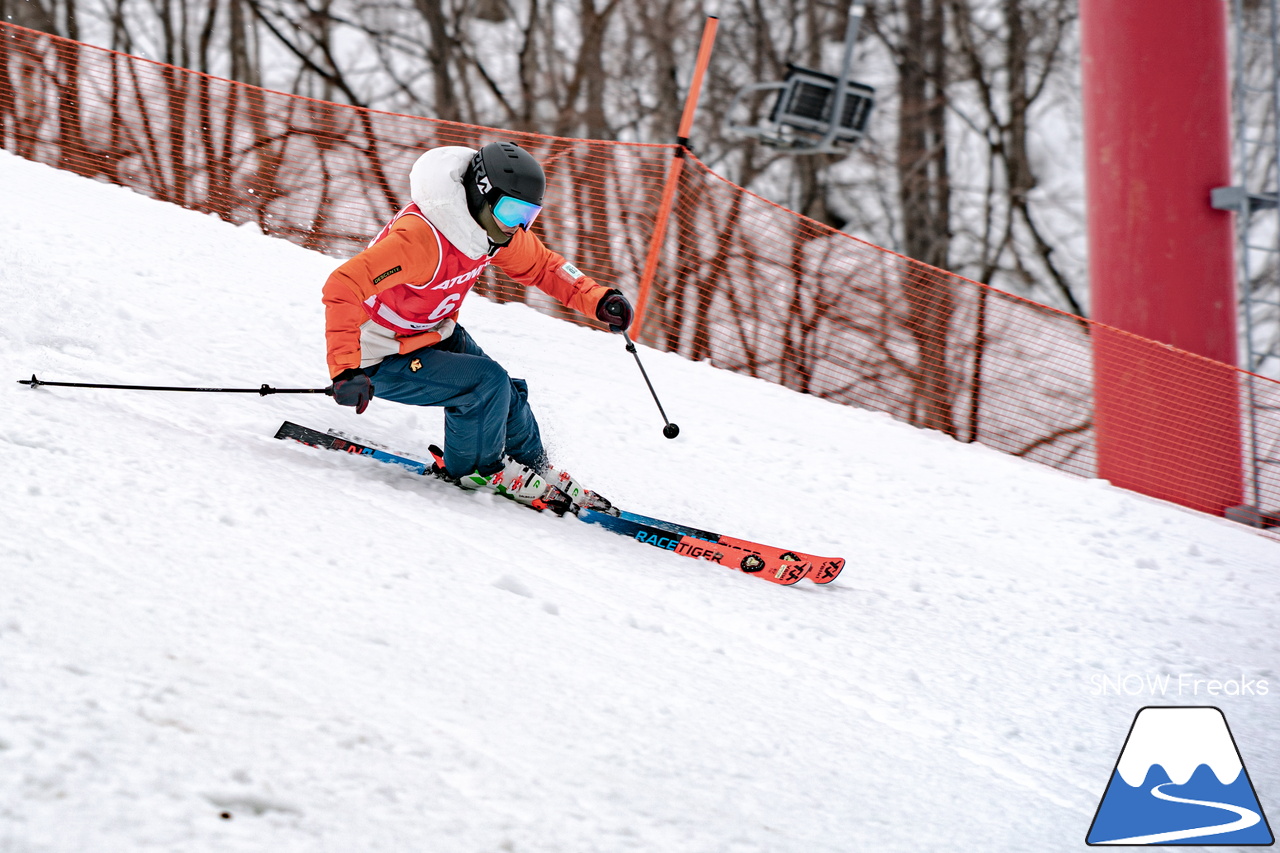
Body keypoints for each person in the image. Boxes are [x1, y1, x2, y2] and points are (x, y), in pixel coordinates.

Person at [321, 141, 633, 513]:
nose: (518, 224)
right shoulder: (422, 239)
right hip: (379, 355)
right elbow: (343, 285)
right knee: (485, 384)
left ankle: (535, 469)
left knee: (505, 394)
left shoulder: (490, 231)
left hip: (431, 332)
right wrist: (345, 370)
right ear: (481, 195)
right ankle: (477, 470)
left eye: (528, 215)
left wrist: (598, 298)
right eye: (512, 210)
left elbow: (544, 266)